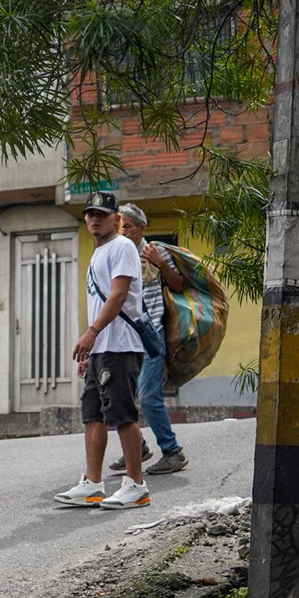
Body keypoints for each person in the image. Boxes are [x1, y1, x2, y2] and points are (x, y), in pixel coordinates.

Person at [55, 190, 151, 510]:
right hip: (102, 349)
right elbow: (99, 301)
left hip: (121, 345)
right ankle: (93, 483)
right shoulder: (98, 253)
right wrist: (91, 351)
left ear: (116, 219)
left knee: (123, 414)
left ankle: (136, 484)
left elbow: (118, 296)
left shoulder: (122, 247)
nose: (95, 219)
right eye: (91, 214)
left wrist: (92, 333)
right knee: (92, 413)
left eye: (102, 214)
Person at [106, 204, 189, 476]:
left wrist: (161, 263)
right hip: (124, 334)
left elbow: (178, 285)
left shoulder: (154, 251)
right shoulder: (117, 253)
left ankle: (172, 451)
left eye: (128, 226)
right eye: (121, 226)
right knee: (118, 393)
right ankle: (138, 446)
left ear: (142, 228)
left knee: (148, 395)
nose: (123, 231)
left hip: (150, 332)